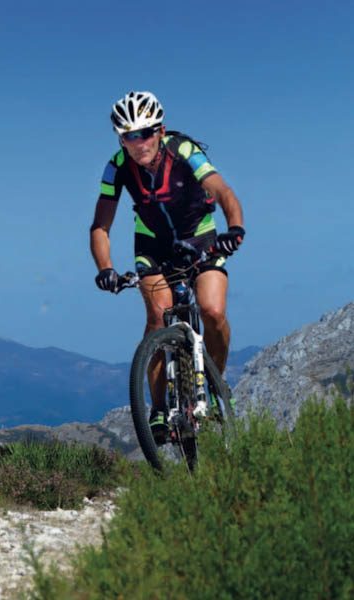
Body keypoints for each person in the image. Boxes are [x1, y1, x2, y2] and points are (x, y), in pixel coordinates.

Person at [89, 90, 245, 443]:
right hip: (153, 246)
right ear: (120, 138)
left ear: (160, 131)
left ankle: (216, 384)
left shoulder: (184, 150)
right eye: (129, 136)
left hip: (201, 238)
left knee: (212, 311)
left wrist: (234, 228)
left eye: (145, 133)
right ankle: (159, 408)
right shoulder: (116, 167)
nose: (138, 142)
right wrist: (105, 268)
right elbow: (100, 226)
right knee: (158, 318)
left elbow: (222, 191)